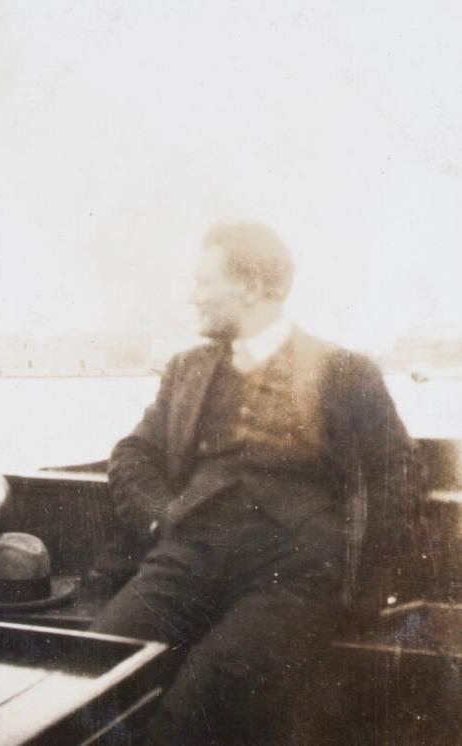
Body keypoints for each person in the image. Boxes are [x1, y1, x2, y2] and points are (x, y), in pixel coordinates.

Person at [91, 222, 422, 745]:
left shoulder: (345, 370)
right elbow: (133, 453)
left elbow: (396, 476)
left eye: (203, 282)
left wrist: (356, 584)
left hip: (294, 575)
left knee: (200, 703)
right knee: (93, 671)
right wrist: (162, 516)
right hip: (187, 556)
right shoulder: (187, 369)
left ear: (249, 287)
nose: (191, 296)